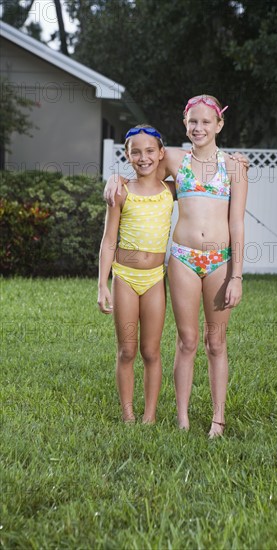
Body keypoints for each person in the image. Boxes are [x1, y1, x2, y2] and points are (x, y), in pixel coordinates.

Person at [105, 95, 248, 437]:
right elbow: (144, 168)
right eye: (192, 122)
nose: (199, 128)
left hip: (219, 261)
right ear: (185, 124)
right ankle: (182, 418)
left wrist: (237, 276)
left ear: (219, 125)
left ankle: (218, 418)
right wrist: (117, 180)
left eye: (206, 122)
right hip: (182, 258)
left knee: (217, 342)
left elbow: (238, 224)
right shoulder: (174, 158)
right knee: (187, 341)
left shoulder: (234, 168)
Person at [98, 125, 174, 424]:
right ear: (127, 155)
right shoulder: (121, 191)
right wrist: (102, 283)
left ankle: (149, 416)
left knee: (151, 351)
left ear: (160, 153)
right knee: (127, 350)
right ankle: (128, 413)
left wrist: (232, 162)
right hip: (125, 278)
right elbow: (108, 240)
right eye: (136, 152)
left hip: (155, 279)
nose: (143, 157)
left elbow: (198, 172)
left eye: (150, 151)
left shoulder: (171, 190)